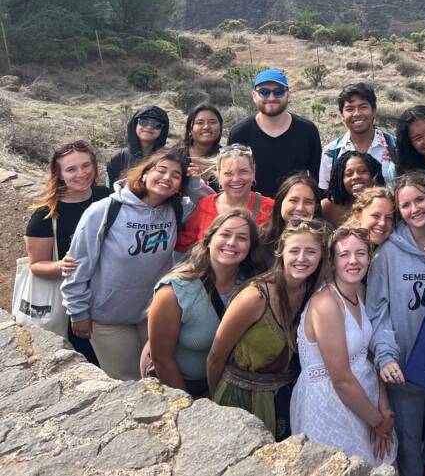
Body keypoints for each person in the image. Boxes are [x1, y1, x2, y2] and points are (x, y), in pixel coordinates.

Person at [62, 149, 208, 381]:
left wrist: (195, 182)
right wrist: (77, 311)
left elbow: (211, 204)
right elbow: (78, 263)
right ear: (144, 174)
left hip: (150, 314)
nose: (167, 178)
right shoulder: (106, 210)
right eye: (161, 170)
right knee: (126, 382)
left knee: (154, 377)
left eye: (176, 175)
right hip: (107, 317)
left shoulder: (177, 209)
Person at [208, 218, 327, 440]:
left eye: (310, 252)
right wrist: (217, 403)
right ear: (281, 253)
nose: (301, 259)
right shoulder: (254, 297)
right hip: (239, 400)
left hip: (283, 400)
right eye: (294, 251)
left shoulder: (313, 294)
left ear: (321, 257)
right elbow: (215, 357)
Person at [367, 171, 425, 476]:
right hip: (404, 366)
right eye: (406, 205)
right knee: (408, 440)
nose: (415, 209)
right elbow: (377, 312)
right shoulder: (388, 253)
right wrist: (386, 355)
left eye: (420, 199)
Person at [291, 228, 397, 466]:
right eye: (344, 254)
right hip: (330, 404)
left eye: (361, 253)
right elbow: (340, 378)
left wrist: (384, 407)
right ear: (332, 261)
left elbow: (369, 354)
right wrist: (378, 423)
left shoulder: (359, 291)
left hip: (364, 396)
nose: (353, 261)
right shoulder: (326, 304)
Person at [148, 210, 259, 396]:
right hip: (177, 385)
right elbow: (161, 358)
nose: (232, 243)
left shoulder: (250, 287)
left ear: (250, 248)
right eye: (225, 234)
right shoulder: (173, 291)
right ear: (209, 241)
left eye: (242, 238)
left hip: (224, 385)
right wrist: (188, 407)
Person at [24, 140, 109, 364]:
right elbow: (36, 265)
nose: (81, 173)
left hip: (111, 298)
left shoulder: (107, 197)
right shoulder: (45, 216)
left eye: (86, 165)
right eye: (71, 169)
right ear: (59, 173)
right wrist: (60, 266)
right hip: (74, 305)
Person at [227, 69, 321, 196]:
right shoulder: (239, 133)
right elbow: (231, 177)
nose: (271, 98)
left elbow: (317, 178)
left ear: (289, 94)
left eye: (278, 92)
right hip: (252, 211)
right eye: (264, 92)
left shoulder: (307, 131)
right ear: (254, 96)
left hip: (295, 210)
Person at [174, 144, 274, 261]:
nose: (236, 179)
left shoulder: (270, 208)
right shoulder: (205, 204)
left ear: (253, 172)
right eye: (228, 173)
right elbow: (183, 246)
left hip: (252, 278)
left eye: (243, 171)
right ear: (219, 176)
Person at [318, 82, 398, 190]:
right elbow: (325, 194)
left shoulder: (395, 146)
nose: (357, 113)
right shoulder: (331, 152)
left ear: (373, 111)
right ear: (342, 115)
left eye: (363, 107)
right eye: (350, 109)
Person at [258, 172, 322, 268]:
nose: (300, 208)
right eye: (293, 200)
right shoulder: (261, 239)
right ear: (280, 202)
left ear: (315, 207)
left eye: (308, 202)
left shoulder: (326, 239)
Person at [105, 105, 169, 185]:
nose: (149, 127)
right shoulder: (118, 157)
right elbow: (109, 187)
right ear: (135, 125)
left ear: (163, 130)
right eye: (143, 122)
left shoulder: (167, 158)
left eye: (156, 125)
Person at [322, 150, 384, 227]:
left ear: (373, 174)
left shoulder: (384, 205)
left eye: (362, 171)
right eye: (349, 174)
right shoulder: (327, 207)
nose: (356, 177)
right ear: (341, 180)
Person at [182, 103, 223, 187]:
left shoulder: (227, 158)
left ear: (220, 128)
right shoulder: (176, 157)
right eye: (199, 122)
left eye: (212, 122)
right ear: (190, 129)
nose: (206, 127)